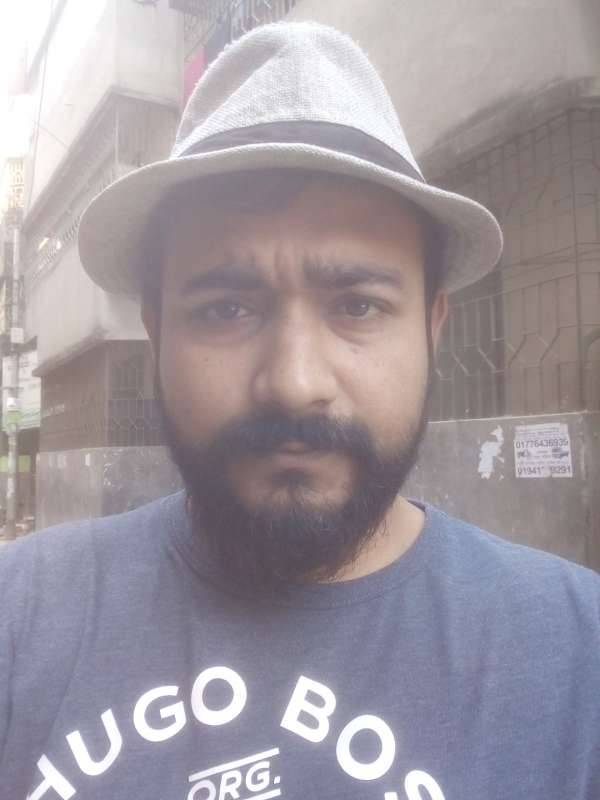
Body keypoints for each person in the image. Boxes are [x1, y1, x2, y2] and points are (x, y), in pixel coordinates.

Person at [1, 22, 599, 800]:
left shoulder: (576, 655)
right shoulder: (20, 617)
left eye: (357, 305)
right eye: (225, 309)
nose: (293, 382)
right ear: (156, 333)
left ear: (432, 328)